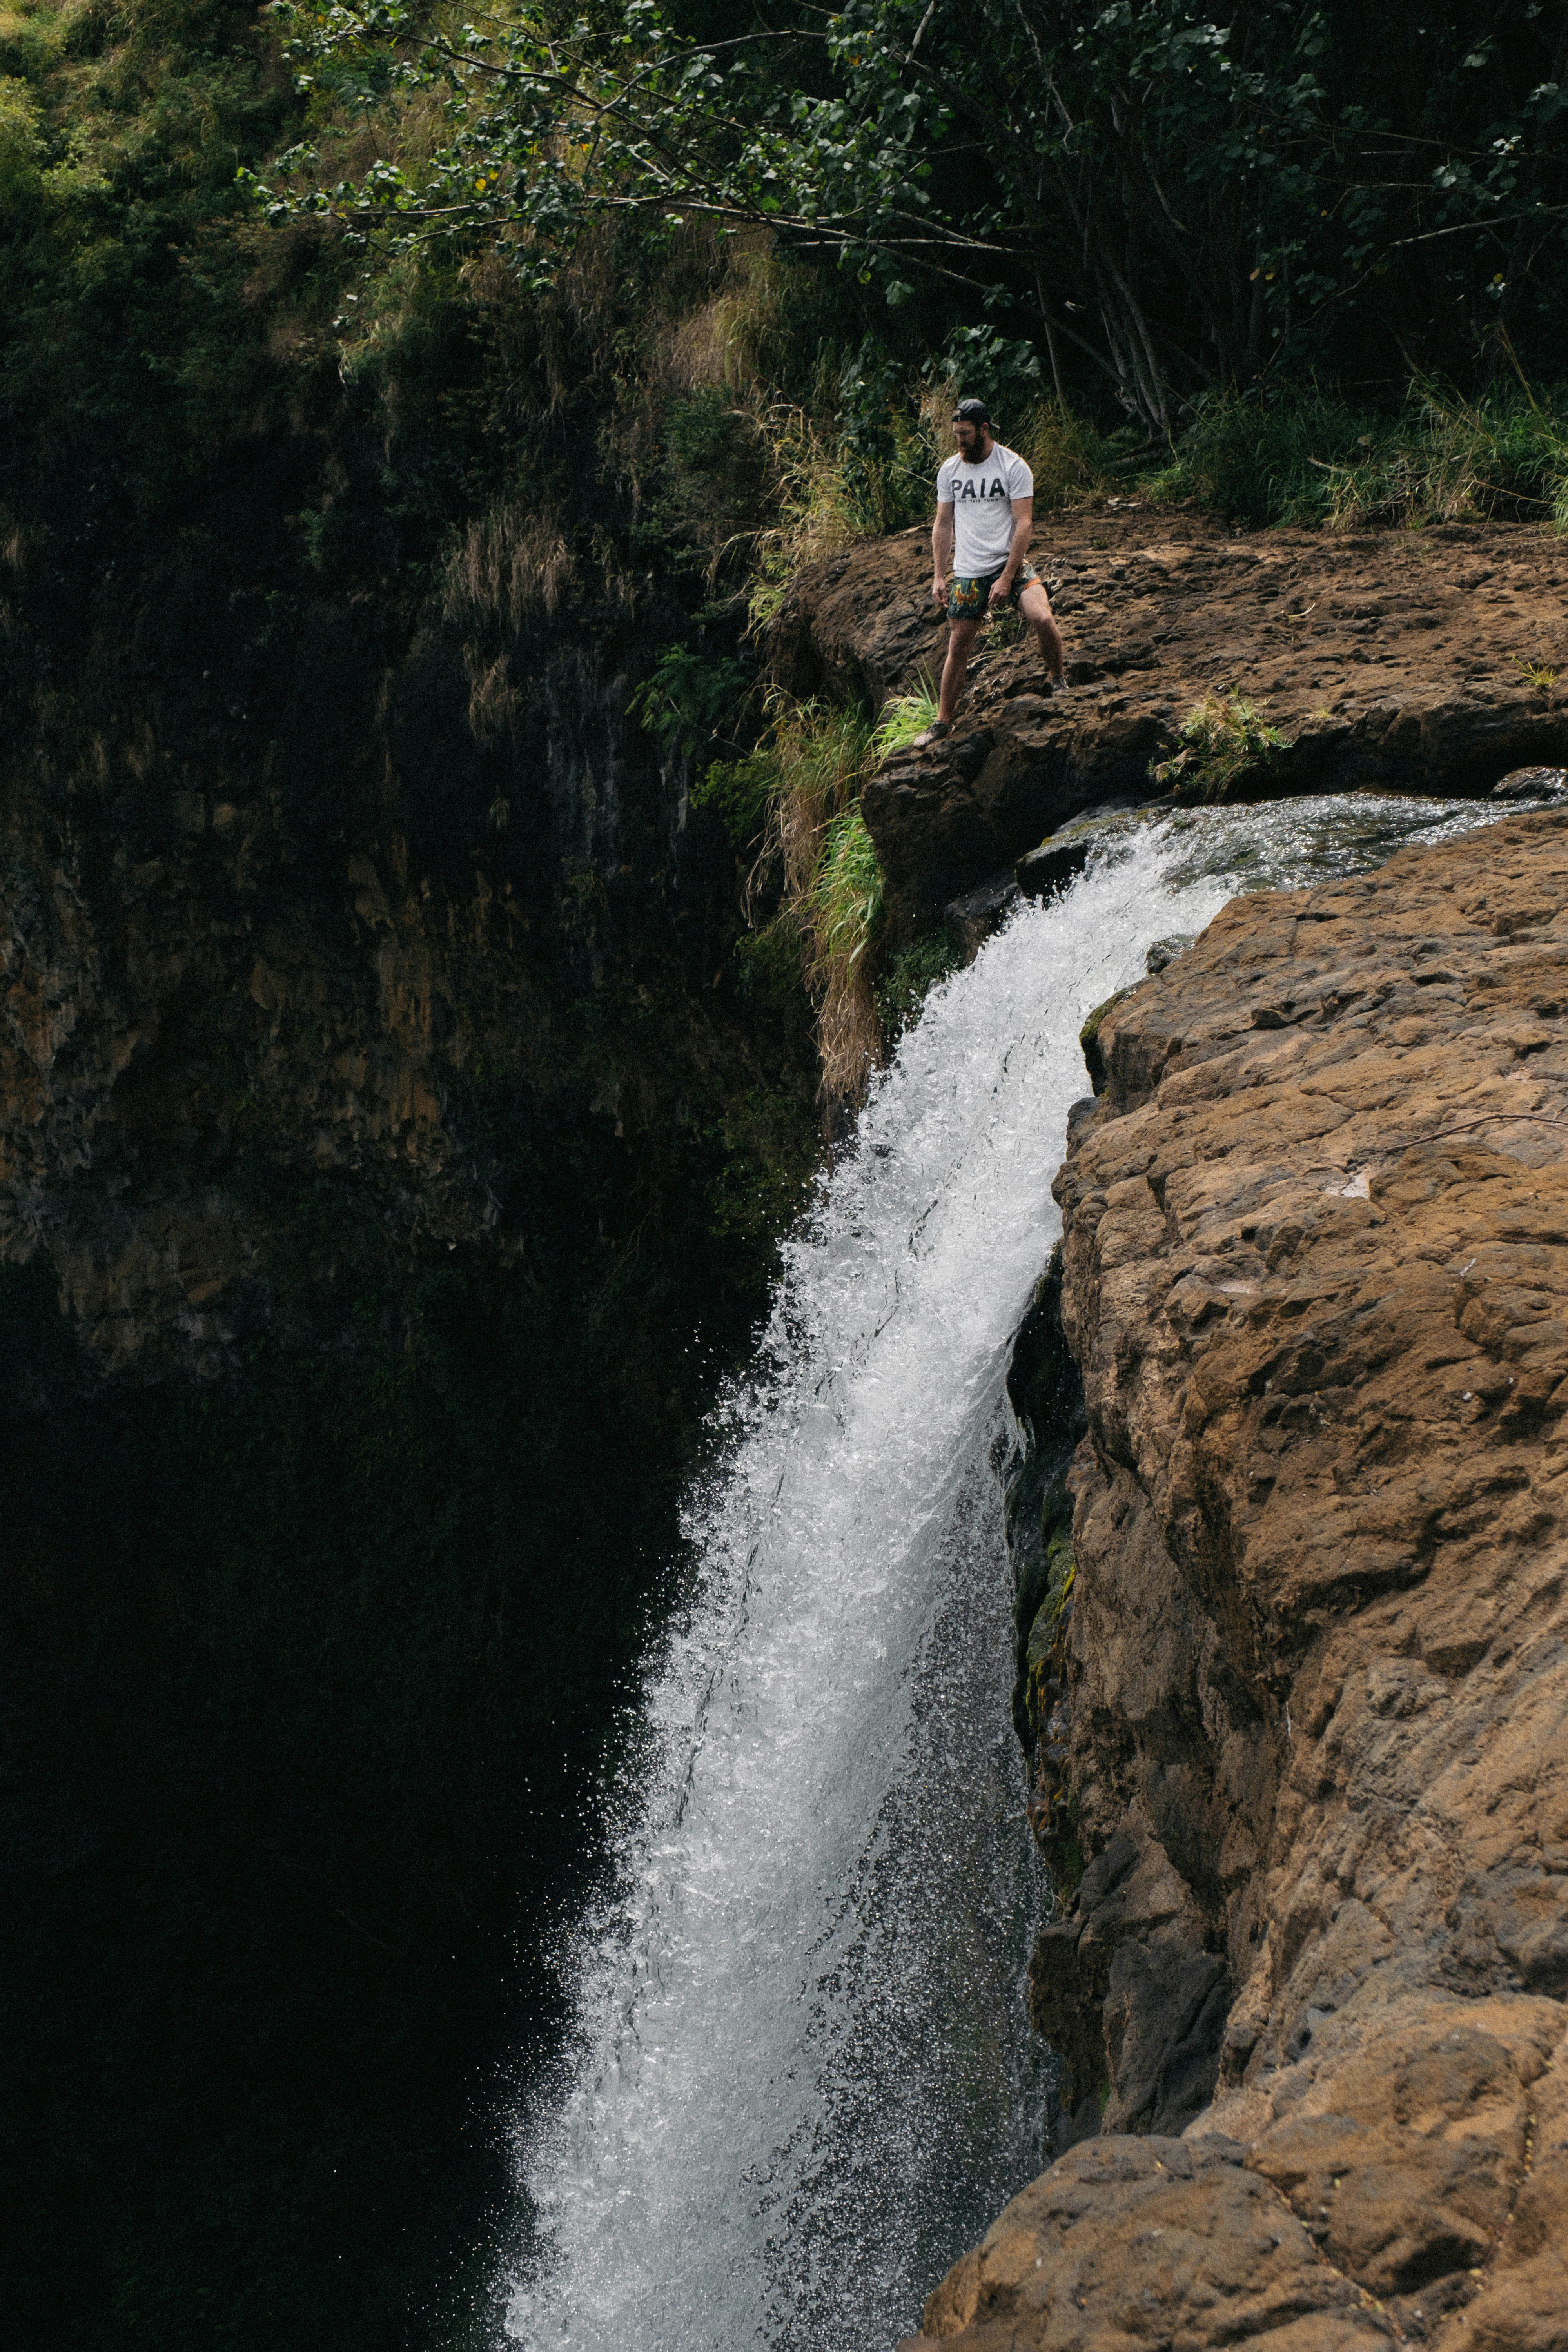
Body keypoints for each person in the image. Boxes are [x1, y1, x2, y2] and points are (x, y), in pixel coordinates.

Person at [916, 396, 1066, 747]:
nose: (960, 441)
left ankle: (1058, 679)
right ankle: (942, 722)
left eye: (966, 434)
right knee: (959, 645)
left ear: (984, 429)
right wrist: (939, 575)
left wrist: (1007, 577)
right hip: (969, 573)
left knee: (1043, 618)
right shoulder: (950, 471)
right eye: (956, 434)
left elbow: (1024, 524)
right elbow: (943, 524)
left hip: (1008, 563)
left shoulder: (1013, 466)